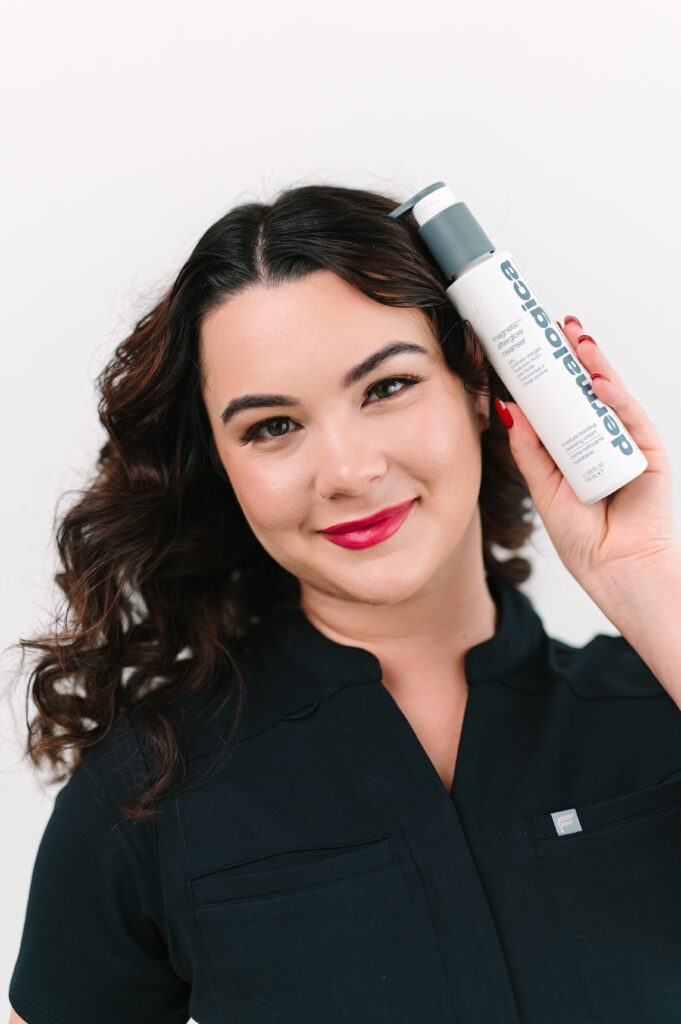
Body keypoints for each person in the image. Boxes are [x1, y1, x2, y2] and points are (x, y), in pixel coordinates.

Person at [6, 183, 681, 1024]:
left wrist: (647, 575)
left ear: (480, 384)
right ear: (221, 465)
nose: (348, 471)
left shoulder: (659, 700)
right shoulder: (147, 789)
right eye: (272, 427)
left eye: (386, 387)